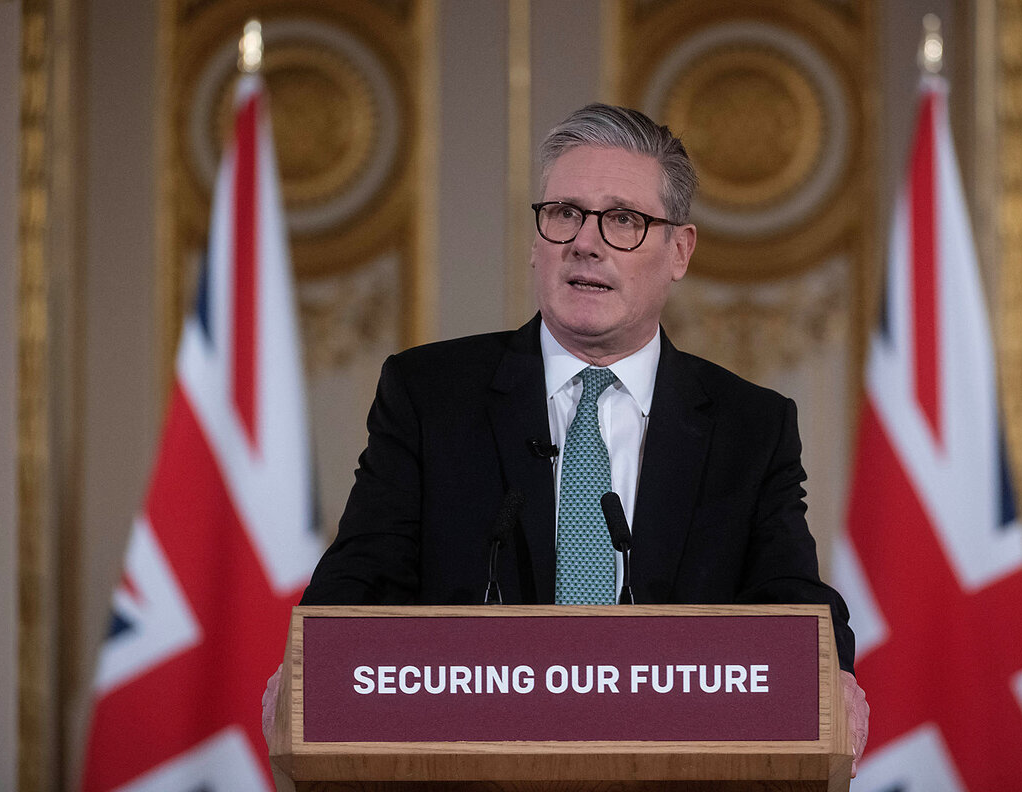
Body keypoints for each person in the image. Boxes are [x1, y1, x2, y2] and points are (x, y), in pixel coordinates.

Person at [264, 103, 868, 772]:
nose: (585, 242)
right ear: (536, 241)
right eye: (564, 213)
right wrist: (313, 668)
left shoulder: (749, 426)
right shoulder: (431, 396)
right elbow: (359, 580)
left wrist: (831, 674)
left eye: (624, 220)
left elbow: (791, 599)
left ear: (680, 251)